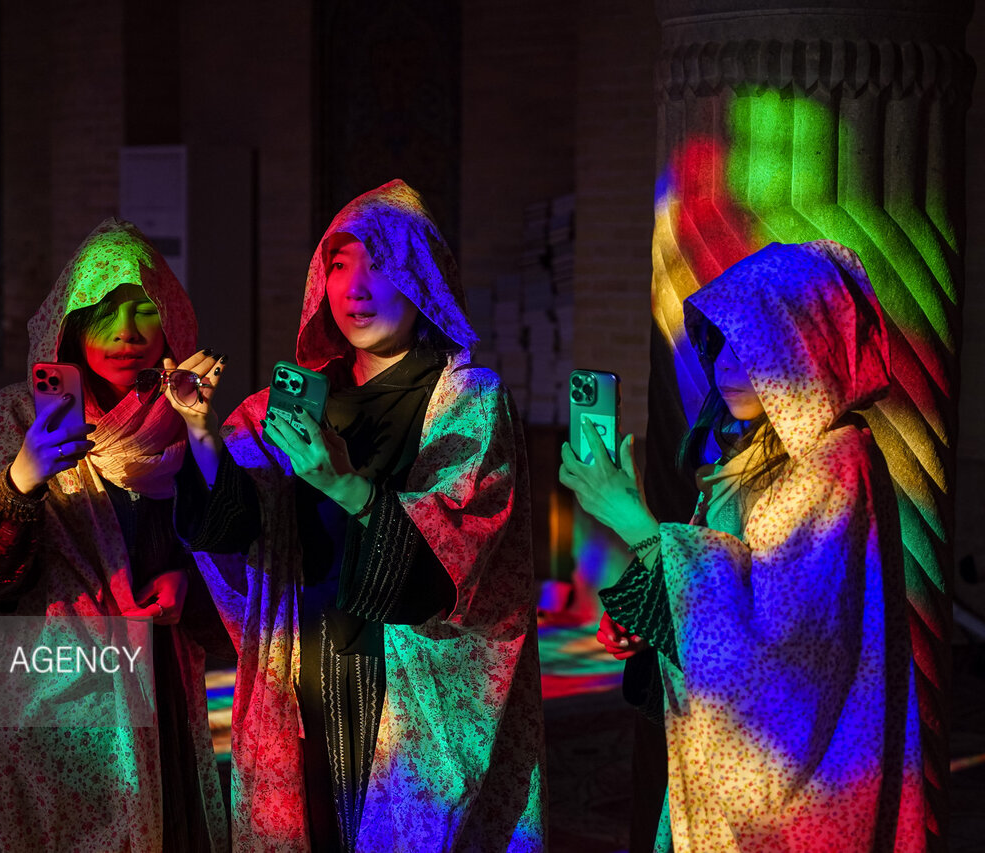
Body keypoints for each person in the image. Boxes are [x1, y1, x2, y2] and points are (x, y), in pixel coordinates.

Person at [164, 180, 546, 851]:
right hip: (307, 670)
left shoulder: (466, 401)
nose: (356, 288)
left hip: (412, 691)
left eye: (380, 265)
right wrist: (200, 432)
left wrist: (343, 483)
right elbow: (233, 531)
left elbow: (447, 565)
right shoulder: (291, 406)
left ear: (422, 280)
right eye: (339, 266)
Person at [560, 240, 926, 852]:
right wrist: (647, 603)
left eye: (752, 345)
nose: (727, 365)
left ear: (804, 348)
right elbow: (723, 586)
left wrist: (639, 527)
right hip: (713, 767)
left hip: (799, 787)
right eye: (720, 343)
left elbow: (782, 657)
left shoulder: (835, 464)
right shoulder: (748, 454)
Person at [0, 219, 228, 852]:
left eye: (143, 309)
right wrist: (25, 474)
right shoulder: (13, 418)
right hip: (31, 713)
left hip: (149, 702)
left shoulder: (184, 424)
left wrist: (185, 586)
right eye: (101, 313)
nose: (124, 333)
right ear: (70, 324)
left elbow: (235, 558)